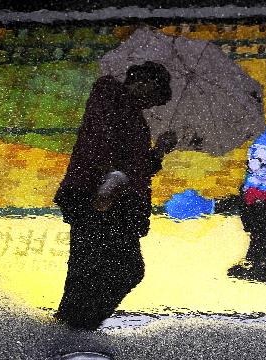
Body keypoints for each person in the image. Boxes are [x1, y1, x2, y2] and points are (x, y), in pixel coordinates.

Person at [53, 62, 177, 330]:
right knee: (115, 270)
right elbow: (100, 143)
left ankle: (72, 328)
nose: (151, 103)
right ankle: (74, 329)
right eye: (153, 96)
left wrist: (159, 151)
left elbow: (135, 166)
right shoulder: (110, 97)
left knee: (94, 271)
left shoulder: (131, 114)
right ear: (143, 82)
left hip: (115, 200)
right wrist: (110, 182)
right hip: (102, 198)